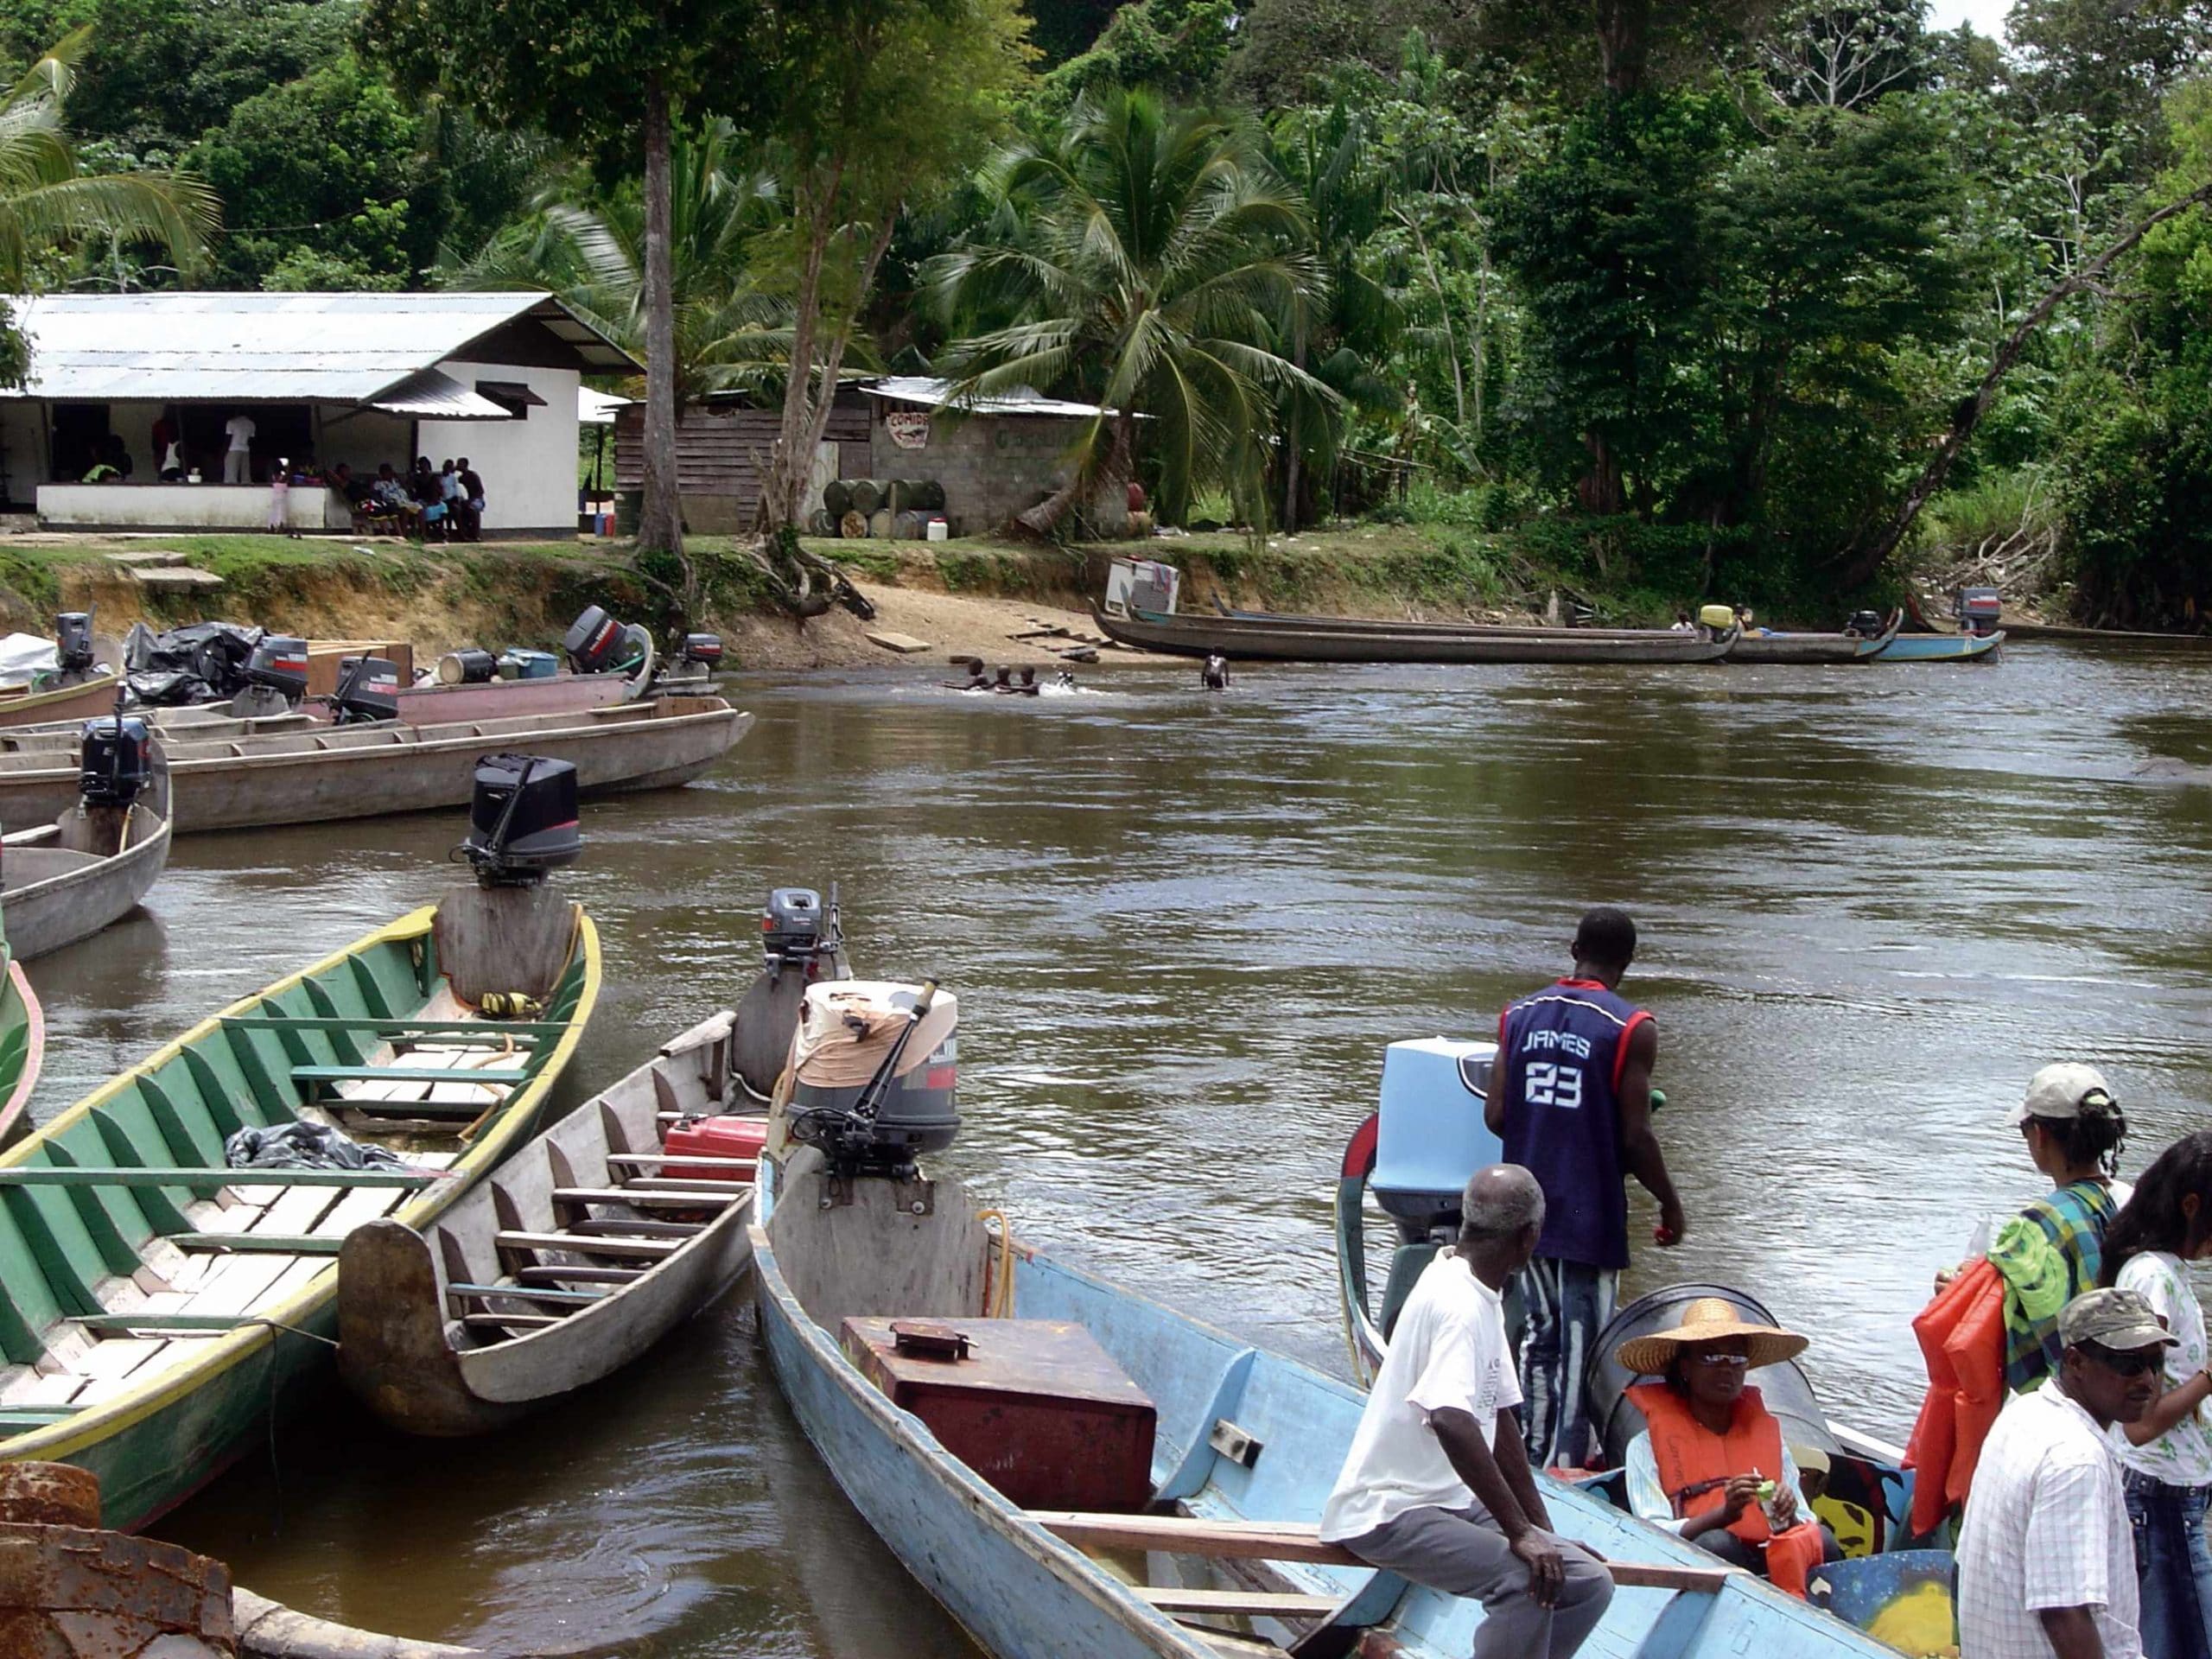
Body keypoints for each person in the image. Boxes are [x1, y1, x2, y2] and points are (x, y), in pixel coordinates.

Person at [1321, 1165, 1615, 1659]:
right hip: (1389, 1509)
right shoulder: (1458, 1303)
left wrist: (1542, 1532)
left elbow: (1500, 1423)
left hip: (1449, 1499)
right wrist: (1519, 1533)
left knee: (1586, 1583)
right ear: (1529, 1238)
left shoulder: (1477, 1287)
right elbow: (1450, 1418)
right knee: (1523, 1581)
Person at [1486, 906, 1684, 1471]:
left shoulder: (1519, 1014)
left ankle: (1530, 1450)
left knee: (1540, 1334)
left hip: (1525, 1203)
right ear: (1628, 961)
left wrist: (1546, 1132)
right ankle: (1568, 1462)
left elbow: (1497, 1115)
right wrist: (1670, 1201)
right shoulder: (1630, 1027)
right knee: (1586, 1346)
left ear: (1573, 950)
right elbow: (1636, 1135)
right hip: (1588, 1209)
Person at [1958, 1287, 2170, 1659]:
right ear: (2075, 1362)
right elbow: (2064, 1612)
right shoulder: (2076, 1460)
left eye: (2156, 1362)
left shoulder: (2022, 1413)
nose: (2148, 1381)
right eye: (2130, 1364)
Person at [1614, 1297, 1837, 1597]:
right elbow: (1653, 1533)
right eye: (1710, 1357)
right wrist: (1725, 1513)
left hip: (1773, 1561)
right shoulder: (1645, 1446)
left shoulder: (1771, 1437)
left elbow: (1804, 1523)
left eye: (1736, 1358)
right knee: (1717, 1544)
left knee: (1822, 1537)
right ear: (1685, 1368)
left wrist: (1789, 1514)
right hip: (1697, 1565)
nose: (1726, 1369)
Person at [2099, 1132, 2212, 1659]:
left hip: (2173, 1493)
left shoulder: (2166, 1272)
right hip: (2160, 1496)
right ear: (2192, 1206)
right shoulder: (2153, 1279)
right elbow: (2140, 1422)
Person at [1960, 1064, 2131, 1393]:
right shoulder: (2132, 1201)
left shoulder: (2034, 1226)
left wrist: (1959, 1290)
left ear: (2039, 1135)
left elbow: (2003, 1331)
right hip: (2126, 1387)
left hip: (2074, 1398)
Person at [222, 410, 256, 484]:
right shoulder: (251, 424)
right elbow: (251, 440)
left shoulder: (231, 422)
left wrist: (224, 451)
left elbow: (228, 438)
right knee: (245, 475)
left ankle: (231, 491)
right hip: (246, 450)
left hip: (233, 449)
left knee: (231, 475)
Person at [459, 458, 485, 539]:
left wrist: (471, 500)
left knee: (473, 509)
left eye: (460, 464)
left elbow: (480, 491)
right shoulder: (461, 478)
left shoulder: (473, 476)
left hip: (477, 499)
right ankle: (465, 533)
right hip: (467, 500)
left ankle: (476, 534)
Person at [267, 457, 290, 533]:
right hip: (282, 495)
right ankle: (280, 527)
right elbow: (286, 478)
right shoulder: (283, 475)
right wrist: (287, 469)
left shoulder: (274, 476)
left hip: (275, 495)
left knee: (274, 511)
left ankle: (272, 527)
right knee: (281, 512)